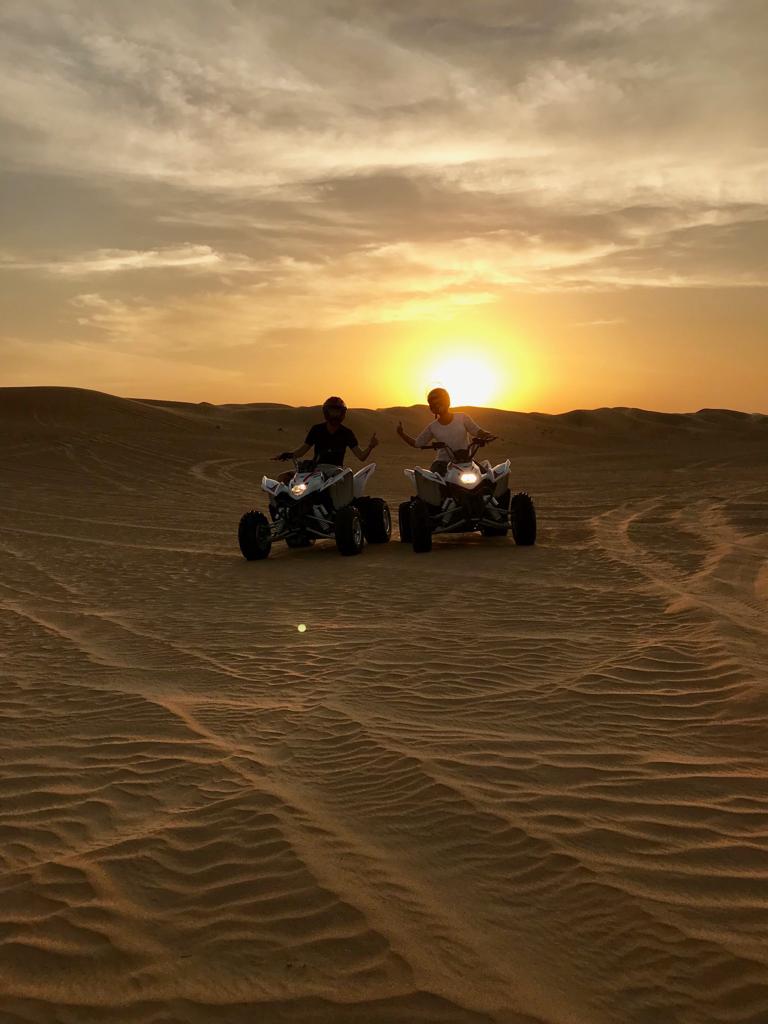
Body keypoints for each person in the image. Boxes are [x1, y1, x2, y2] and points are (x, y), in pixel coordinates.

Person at [396, 387, 495, 474]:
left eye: (440, 402)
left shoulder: (462, 417)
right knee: (434, 483)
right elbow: (417, 443)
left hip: (465, 461)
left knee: (486, 479)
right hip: (442, 463)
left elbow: (477, 431)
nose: (438, 406)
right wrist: (401, 434)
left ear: (446, 401)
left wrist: (486, 435)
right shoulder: (433, 427)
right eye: (434, 404)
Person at [274, 396, 378, 477]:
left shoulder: (347, 433)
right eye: (332, 411)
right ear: (326, 412)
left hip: (336, 472)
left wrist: (370, 447)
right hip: (315, 470)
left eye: (337, 412)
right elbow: (301, 451)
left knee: (345, 484)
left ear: (342, 413)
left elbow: (361, 456)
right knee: (282, 478)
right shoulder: (317, 429)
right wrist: (285, 455)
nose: (334, 415)